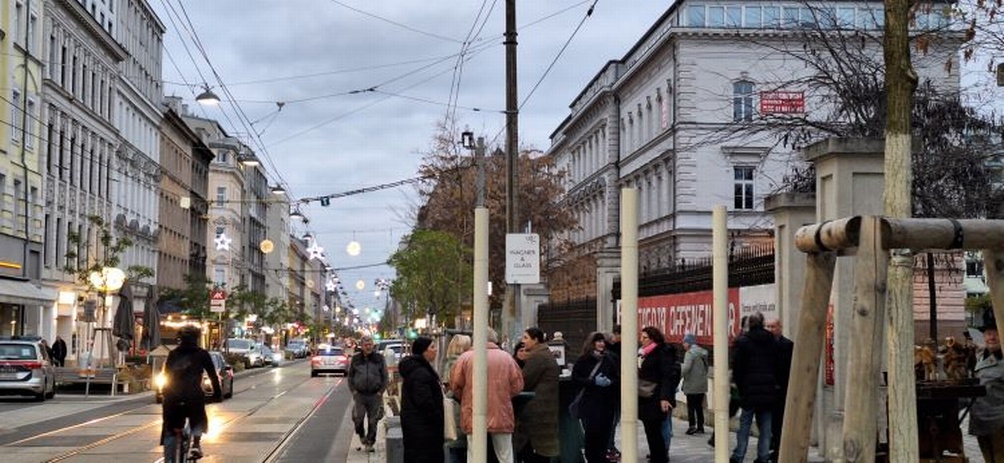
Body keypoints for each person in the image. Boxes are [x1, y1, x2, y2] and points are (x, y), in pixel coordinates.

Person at [451, 327, 524, 463]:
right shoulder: (506, 358)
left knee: (474, 454)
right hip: (501, 411)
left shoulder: (465, 358)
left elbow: (456, 386)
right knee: (505, 454)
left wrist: (465, 397)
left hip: (473, 410)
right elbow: (517, 385)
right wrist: (504, 396)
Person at [160, 325, 221, 462]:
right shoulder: (202, 354)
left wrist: (165, 392)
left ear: (180, 339)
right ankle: (196, 444)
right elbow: (213, 375)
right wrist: (217, 394)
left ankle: (169, 452)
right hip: (193, 396)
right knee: (198, 417)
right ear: (197, 338)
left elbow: (167, 375)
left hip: (172, 397)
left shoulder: (173, 354)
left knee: (169, 425)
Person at [730, 312, 779, 463]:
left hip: (749, 391)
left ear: (749, 325)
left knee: (745, 424)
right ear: (763, 323)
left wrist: (741, 389)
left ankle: (739, 455)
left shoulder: (743, 342)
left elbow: (737, 369)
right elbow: (776, 364)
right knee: (766, 426)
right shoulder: (771, 340)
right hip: (768, 390)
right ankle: (763, 456)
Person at [571, 331, 619, 463]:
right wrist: (592, 382)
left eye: (603, 341)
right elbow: (576, 379)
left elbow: (617, 376)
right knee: (592, 432)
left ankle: (602, 456)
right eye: (598, 341)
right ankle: (592, 457)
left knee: (605, 431)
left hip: (607, 402)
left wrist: (611, 382)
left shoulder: (610, 358)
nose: (601, 344)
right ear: (592, 343)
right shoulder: (583, 360)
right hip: (590, 402)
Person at [514, 327, 560, 463]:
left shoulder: (538, 356)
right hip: (545, 409)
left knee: (532, 450)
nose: (523, 341)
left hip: (536, 411)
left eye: (526, 338)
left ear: (535, 340)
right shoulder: (544, 353)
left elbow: (524, 381)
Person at [638, 326, 681, 463]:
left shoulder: (661, 352)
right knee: (650, 431)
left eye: (645, 338)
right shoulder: (643, 353)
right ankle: (656, 456)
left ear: (653, 339)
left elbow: (666, 376)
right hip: (645, 396)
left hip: (656, 397)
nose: (641, 340)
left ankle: (660, 457)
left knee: (656, 431)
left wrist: (664, 398)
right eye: (641, 337)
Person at [399, 336, 444, 463]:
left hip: (416, 426)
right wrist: (437, 417)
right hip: (424, 429)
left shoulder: (417, 369)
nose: (436, 350)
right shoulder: (421, 373)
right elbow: (424, 401)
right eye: (432, 347)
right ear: (424, 351)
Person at [970, 310, 1004, 462]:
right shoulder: (980, 356)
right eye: (988, 333)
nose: (992, 337)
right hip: (981, 421)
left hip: (1000, 423)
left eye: (996, 333)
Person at [347, 335, 389, 452]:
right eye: (366, 345)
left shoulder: (379, 358)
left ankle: (370, 442)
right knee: (358, 418)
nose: (368, 347)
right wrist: (354, 391)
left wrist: (380, 392)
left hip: (375, 395)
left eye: (370, 344)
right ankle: (361, 435)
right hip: (360, 395)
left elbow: (385, 377)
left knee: (373, 420)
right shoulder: (356, 359)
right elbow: (350, 377)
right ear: (362, 346)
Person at [766, 317, 794, 461]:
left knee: (779, 423)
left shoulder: (788, 345)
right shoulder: (763, 346)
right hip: (767, 391)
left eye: (773, 327)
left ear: (780, 328)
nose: (770, 330)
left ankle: (779, 450)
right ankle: (774, 447)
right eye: (768, 327)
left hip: (782, 391)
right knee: (770, 423)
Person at [444, 335, 473, 463]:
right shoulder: (462, 363)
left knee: (454, 447)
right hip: (460, 408)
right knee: (461, 447)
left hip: (454, 408)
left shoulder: (448, 363)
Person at [681, 333, 709, 435]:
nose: (683, 344)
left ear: (689, 343)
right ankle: (700, 427)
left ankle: (692, 426)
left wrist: (678, 376)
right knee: (699, 406)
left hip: (691, 384)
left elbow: (686, 368)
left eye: (684, 342)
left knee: (691, 406)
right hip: (702, 384)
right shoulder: (703, 352)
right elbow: (706, 368)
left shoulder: (690, 353)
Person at [606, 325, 623, 461]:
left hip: (614, 392)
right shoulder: (613, 353)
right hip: (615, 392)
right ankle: (609, 446)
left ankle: (609, 446)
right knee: (612, 421)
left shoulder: (613, 352)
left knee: (612, 421)